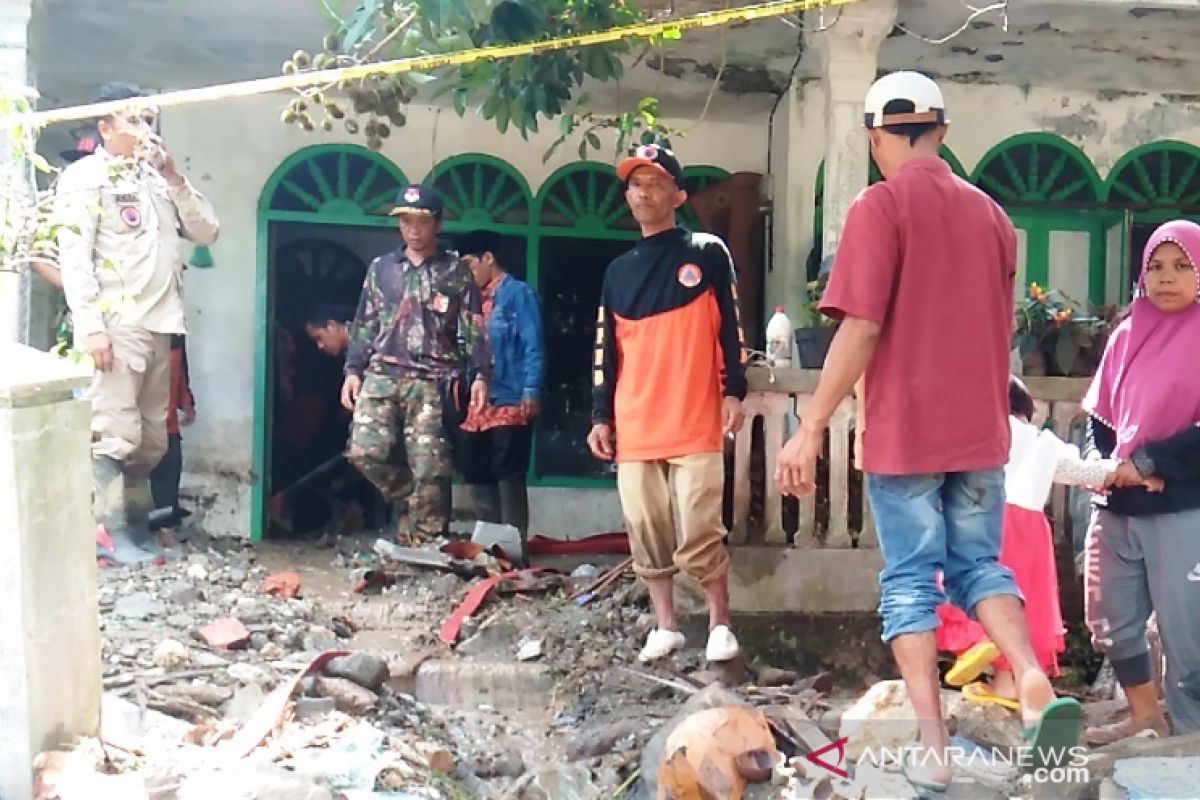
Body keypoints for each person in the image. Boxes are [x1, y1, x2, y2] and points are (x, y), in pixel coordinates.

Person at [773, 72, 1081, 788]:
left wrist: (811, 424)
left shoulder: (879, 207)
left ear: (876, 136)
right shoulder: (993, 216)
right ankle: (1033, 681)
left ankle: (934, 748)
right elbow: (999, 330)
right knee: (980, 567)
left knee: (911, 581)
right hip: (981, 431)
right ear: (940, 131)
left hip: (906, 433)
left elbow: (863, 325)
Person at [587, 144, 747, 665]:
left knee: (701, 526)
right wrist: (599, 414)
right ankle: (666, 625)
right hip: (635, 422)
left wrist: (734, 390)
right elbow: (604, 349)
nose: (643, 192)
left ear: (678, 195)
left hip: (695, 415)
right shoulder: (617, 271)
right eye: (635, 183)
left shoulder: (706, 252)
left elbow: (733, 326)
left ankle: (720, 623)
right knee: (646, 527)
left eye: (655, 182)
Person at [55, 82, 219, 566]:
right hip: (117, 322)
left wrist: (172, 174)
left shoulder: (155, 179)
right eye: (133, 121)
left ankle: (134, 530)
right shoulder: (87, 178)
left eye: (148, 121)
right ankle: (107, 535)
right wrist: (91, 326)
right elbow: (74, 256)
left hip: (160, 323)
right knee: (113, 434)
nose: (144, 130)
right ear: (105, 128)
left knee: (149, 440)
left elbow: (207, 229)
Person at [937, 376, 1141, 707]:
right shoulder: (1043, 443)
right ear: (1026, 411)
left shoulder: (970, 430)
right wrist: (1126, 472)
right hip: (1028, 533)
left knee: (965, 584)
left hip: (978, 519)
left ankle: (974, 639)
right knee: (1021, 606)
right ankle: (1008, 687)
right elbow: (1085, 473)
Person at [1082, 219, 1200, 743]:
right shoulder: (1126, 333)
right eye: (1155, 266)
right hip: (1116, 504)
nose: (1166, 278)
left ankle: (1192, 732)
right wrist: (1101, 465)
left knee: (1188, 633)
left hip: (1184, 507)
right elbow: (1101, 422)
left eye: (1182, 266)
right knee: (1111, 619)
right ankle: (1146, 714)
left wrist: (1150, 464)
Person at [341, 184, 490, 542]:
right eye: (406, 221)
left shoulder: (455, 272)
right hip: (383, 373)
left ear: (436, 224)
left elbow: (472, 326)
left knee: (432, 468)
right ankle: (414, 498)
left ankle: (427, 544)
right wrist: (352, 371)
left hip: (433, 380)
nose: (413, 229)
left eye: (421, 222)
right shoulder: (381, 269)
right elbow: (365, 324)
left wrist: (482, 374)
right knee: (363, 451)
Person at [452, 230, 545, 564]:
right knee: (477, 471)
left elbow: (533, 345)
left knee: (508, 472)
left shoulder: (518, 295)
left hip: (509, 397)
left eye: (469, 263)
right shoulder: (467, 299)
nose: (465, 272)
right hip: (474, 403)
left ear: (488, 258)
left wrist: (531, 390)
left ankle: (515, 551)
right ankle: (490, 552)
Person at [149, 335, 196, 534]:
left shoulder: (176, 339)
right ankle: (159, 528)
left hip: (167, 423)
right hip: (146, 421)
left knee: (170, 467)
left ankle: (164, 527)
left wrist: (186, 402)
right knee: (151, 476)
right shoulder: (142, 338)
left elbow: (180, 372)